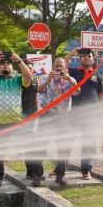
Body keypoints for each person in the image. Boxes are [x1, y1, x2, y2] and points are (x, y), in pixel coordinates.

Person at [0, 50, 36, 185]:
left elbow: (29, 77)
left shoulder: (18, 80)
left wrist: (19, 61)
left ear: (12, 67)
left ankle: (32, 173)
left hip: (17, 123)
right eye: (3, 64)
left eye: (8, 64)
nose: (6, 65)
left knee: (28, 147)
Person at [37, 57, 78, 185]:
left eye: (61, 66)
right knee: (42, 145)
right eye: (56, 66)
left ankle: (60, 175)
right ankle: (37, 175)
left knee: (64, 147)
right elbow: (38, 90)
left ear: (65, 67)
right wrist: (49, 79)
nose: (59, 68)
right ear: (53, 66)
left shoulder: (70, 80)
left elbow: (77, 92)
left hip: (64, 117)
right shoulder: (45, 77)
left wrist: (69, 80)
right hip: (48, 115)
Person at [68, 48, 103, 180]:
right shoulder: (73, 72)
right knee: (67, 141)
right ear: (79, 59)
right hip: (74, 114)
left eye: (88, 56)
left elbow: (102, 96)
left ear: (93, 59)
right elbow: (62, 67)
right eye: (83, 56)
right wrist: (72, 53)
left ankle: (86, 170)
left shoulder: (98, 76)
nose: (86, 58)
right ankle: (59, 168)